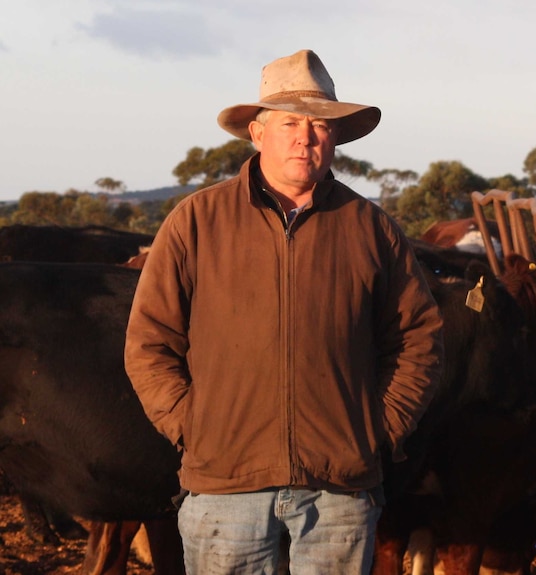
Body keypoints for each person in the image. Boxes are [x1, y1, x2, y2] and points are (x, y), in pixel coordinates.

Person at [124, 49, 444, 575]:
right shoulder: (197, 221)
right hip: (225, 488)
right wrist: (193, 426)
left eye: (319, 125)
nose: (305, 137)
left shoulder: (371, 228)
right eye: (290, 122)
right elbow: (149, 343)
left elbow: (419, 339)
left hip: (338, 492)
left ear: (335, 138)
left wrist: (379, 429)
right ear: (257, 133)